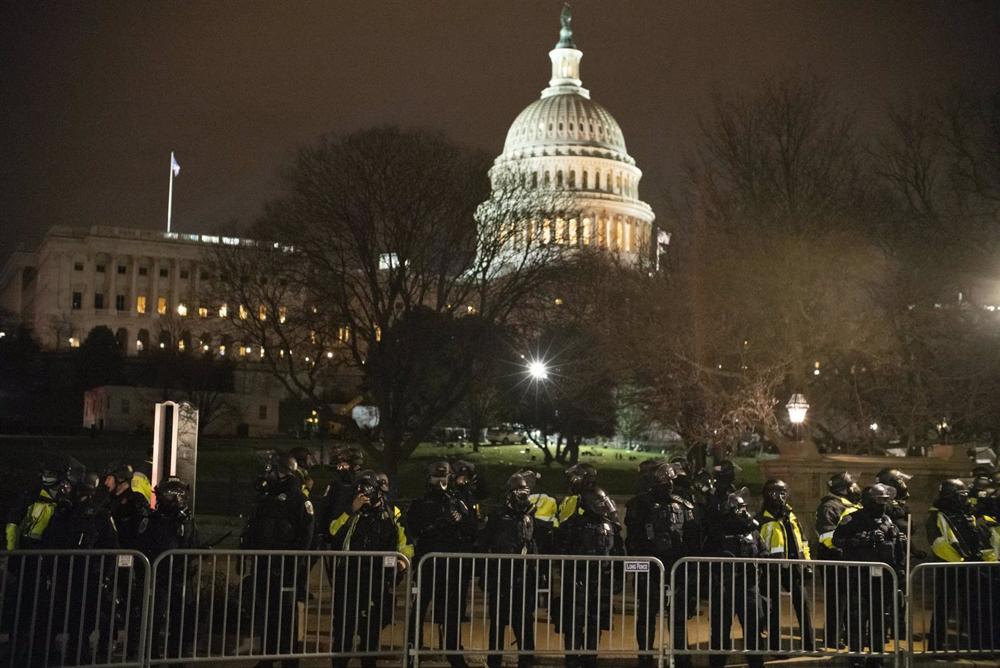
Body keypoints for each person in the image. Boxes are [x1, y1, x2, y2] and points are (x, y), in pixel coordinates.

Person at [329, 470, 412, 668]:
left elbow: (405, 545)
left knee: (371, 630)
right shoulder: (352, 510)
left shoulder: (392, 513)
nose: (362, 494)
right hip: (349, 577)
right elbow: (333, 531)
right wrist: (351, 510)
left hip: (377, 578)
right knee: (344, 628)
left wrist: (400, 565)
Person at [241, 452, 315, 668]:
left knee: (286, 617)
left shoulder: (298, 499)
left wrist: (295, 564)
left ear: (283, 474)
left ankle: (289, 660)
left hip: (285, 568)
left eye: (272, 471)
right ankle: (268, 656)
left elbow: (307, 535)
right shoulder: (266, 498)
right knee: (266, 614)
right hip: (264, 565)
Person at [40, 469, 120, 665]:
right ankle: (60, 654)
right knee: (62, 615)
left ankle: (77, 654)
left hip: (84, 575)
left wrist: (104, 575)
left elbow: (111, 546)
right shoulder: (66, 512)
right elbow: (51, 540)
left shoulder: (96, 515)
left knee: (82, 618)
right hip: (68, 573)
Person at [625, 461, 696, 668]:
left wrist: (689, 572)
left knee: (678, 617)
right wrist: (636, 569)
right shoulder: (638, 505)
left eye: (671, 481)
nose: (669, 484)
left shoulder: (683, 505)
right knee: (646, 614)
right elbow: (632, 540)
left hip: (676, 569)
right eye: (665, 481)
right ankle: (645, 656)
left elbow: (692, 539)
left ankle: (681, 655)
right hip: (649, 569)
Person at [406, 462, 477, 668]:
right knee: (419, 609)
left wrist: (459, 519)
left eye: (444, 479)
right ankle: (412, 651)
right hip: (427, 565)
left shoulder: (458, 502)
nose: (441, 483)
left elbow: (473, 530)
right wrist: (436, 524)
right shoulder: (420, 503)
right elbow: (414, 529)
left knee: (452, 612)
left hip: (453, 567)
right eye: (436, 479)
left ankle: (454, 652)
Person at [833, 483, 906, 668]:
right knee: (857, 618)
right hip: (859, 578)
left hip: (882, 580)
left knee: (880, 619)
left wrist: (899, 544)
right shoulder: (852, 520)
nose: (882, 504)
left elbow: (895, 551)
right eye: (879, 500)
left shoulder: (888, 521)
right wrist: (859, 540)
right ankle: (856, 657)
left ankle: (876, 657)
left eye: (885, 500)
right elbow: (837, 541)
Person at [554, 486, 624, 668]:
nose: (603, 505)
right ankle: (572, 657)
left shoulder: (610, 526)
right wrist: (568, 574)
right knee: (574, 618)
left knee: (596, 619)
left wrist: (618, 577)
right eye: (599, 502)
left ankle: (591, 656)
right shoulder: (573, 525)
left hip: (601, 579)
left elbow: (618, 553)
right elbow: (560, 551)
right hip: (578, 578)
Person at [925, 479, 996, 653]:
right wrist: (962, 562)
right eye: (961, 495)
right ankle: (936, 647)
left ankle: (977, 647)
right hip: (949, 569)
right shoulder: (936, 517)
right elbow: (939, 544)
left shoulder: (967, 515)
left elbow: (977, 541)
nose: (966, 499)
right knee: (943, 608)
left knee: (974, 608)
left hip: (970, 568)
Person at [480, 473, 538, 668]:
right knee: (498, 624)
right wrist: (484, 575)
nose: (524, 496)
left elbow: (534, 545)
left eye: (526, 492)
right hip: (501, 578)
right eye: (520, 492)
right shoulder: (497, 516)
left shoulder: (530, 515)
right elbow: (484, 544)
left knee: (524, 625)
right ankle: (494, 662)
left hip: (523, 578)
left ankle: (526, 662)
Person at [703, 491, 766, 668]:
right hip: (724, 586)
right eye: (740, 508)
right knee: (720, 631)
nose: (744, 512)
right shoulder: (717, 532)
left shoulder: (752, 531)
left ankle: (756, 663)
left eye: (745, 508)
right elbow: (706, 555)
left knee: (753, 629)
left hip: (749, 587)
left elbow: (763, 552)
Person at [145, 477, 199, 660]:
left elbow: (193, 544)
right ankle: (152, 655)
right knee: (155, 616)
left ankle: (177, 655)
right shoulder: (153, 520)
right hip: (159, 576)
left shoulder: (187, 522)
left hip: (180, 576)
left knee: (181, 618)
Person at [757, 479, 814, 652]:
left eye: (783, 492)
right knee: (773, 609)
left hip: (794, 566)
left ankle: (809, 645)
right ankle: (775, 648)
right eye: (775, 492)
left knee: (803, 605)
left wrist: (808, 564)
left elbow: (803, 541)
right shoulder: (761, 519)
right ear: (767, 494)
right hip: (771, 569)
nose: (780, 497)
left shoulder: (791, 515)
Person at [815, 471, 861, 650]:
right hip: (835, 560)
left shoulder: (847, 505)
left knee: (849, 600)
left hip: (847, 559)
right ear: (844, 488)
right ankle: (831, 638)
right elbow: (827, 536)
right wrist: (848, 546)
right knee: (837, 601)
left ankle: (846, 635)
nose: (856, 487)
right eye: (852, 485)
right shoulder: (830, 507)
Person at [4, 456, 80, 550]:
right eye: (45, 473)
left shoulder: (66, 504)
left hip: (48, 554)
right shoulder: (32, 497)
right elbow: (13, 523)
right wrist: (12, 552)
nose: (46, 477)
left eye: (51, 474)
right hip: (27, 550)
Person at [102, 461, 150, 551]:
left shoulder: (136, 499)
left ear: (120, 479)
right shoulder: (109, 501)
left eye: (109, 478)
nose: (106, 483)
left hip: (130, 550)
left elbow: (141, 529)